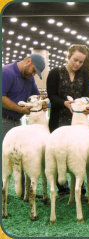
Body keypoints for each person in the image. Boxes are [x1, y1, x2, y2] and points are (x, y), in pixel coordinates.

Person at [46, 44, 89, 199]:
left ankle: (80, 189)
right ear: (68, 56)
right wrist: (65, 104)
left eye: (81, 62)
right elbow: (51, 96)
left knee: (79, 153)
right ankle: (62, 188)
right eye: (75, 60)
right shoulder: (55, 73)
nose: (77, 64)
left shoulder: (84, 76)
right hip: (58, 119)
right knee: (59, 151)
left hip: (78, 121)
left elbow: (86, 96)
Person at [2, 53, 46, 198]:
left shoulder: (29, 79)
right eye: (34, 70)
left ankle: (23, 192)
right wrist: (21, 109)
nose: (33, 74)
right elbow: (2, 98)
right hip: (3, 119)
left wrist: (43, 104)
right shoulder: (6, 72)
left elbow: (36, 96)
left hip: (16, 121)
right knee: (4, 157)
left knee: (18, 155)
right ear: (28, 61)